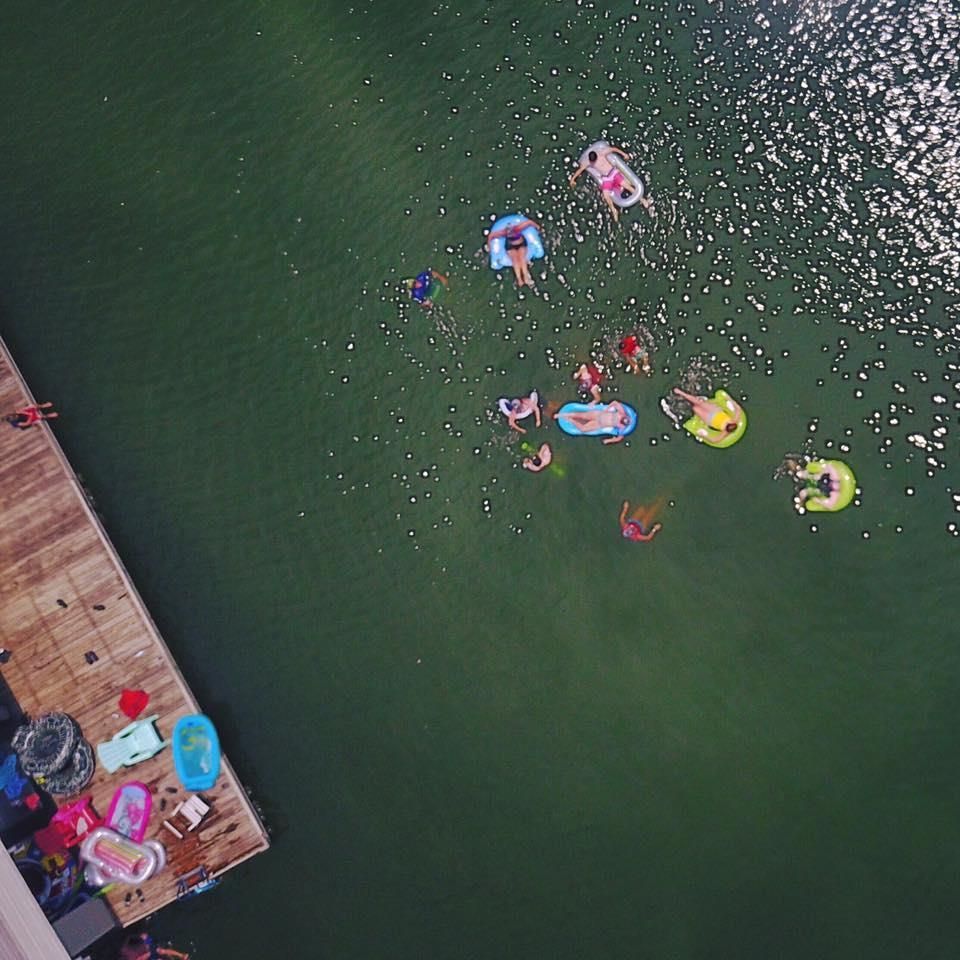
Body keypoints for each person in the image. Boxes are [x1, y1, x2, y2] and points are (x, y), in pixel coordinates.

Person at [569, 144, 654, 223]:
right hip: (606, 178)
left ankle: (642, 199)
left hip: (613, 172)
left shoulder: (601, 153)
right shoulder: (589, 162)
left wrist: (624, 154)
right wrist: (573, 179)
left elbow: (613, 149)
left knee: (627, 186)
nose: (594, 162)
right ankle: (613, 210)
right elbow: (580, 170)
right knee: (606, 196)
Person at [672, 388, 741, 439]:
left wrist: (704, 435)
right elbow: (738, 409)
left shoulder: (725, 432)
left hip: (709, 419)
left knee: (695, 408)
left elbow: (715, 440)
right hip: (715, 411)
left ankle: (683, 402)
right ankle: (682, 393)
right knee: (699, 403)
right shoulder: (735, 419)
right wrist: (729, 399)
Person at [487, 219, 539, 287]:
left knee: (522, 257)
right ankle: (519, 279)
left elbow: (529, 222)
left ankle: (526, 277)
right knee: (515, 260)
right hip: (511, 247)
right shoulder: (503, 233)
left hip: (521, 244)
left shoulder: (517, 228)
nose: (510, 233)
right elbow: (491, 236)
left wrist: (537, 227)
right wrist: (489, 246)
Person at [554, 400, 630, 444]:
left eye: (623, 421)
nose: (622, 419)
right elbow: (615, 403)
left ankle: (570, 420)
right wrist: (608, 408)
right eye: (624, 418)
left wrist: (609, 440)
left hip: (599, 424)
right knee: (581, 415)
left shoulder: (622, 427)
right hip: (598, 415)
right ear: (625, 416)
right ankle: (561, 415)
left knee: (583, 429)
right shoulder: (621, 412)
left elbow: (620, 437)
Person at [119, 932, 189, 960]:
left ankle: (181, 955)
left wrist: (140, 937)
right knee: (159, 955)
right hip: (148, 954)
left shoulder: (124, 950)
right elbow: (143, 957)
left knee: (160, 950)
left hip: (146, 945)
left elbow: (129, 938)